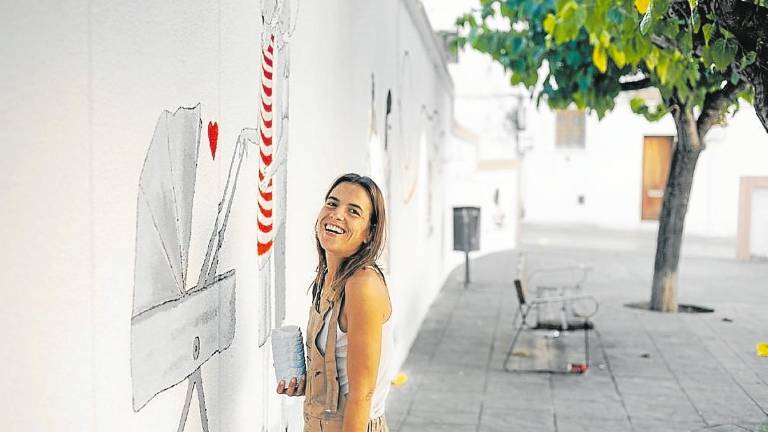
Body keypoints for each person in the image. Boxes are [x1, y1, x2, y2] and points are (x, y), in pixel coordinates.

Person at [276, 173, 393, 432]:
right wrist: (309, 383)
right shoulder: (328, 278)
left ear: (368, 234)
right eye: (332, 203)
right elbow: (341, 374)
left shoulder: (362, 284)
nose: (337, 214)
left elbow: (362, 395)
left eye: (353, 211)